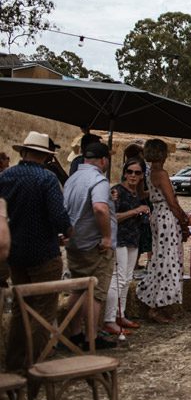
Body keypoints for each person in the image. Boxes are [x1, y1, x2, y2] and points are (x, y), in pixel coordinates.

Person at [0, 131, 72, 371]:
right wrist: (68, 230)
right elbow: (58, 215)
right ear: (46, 156)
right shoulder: (47, 179)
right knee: (43, 311)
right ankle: (34, 363)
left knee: (21, 310)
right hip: (43, 253)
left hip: (15, 253)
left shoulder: (6, 176)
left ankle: (15, 361)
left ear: (23, 152)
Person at [63, 141, 117, 349]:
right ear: (104, 160)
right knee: (96, 293)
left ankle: (74, 333)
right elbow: (100, 209)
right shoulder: (98, 180)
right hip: (95, 246)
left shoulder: (73, 178)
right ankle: (91, 338)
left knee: (77, 289)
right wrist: (106, 237)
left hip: (75, 242)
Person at [136, 139, 189, 324]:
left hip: (157, 216)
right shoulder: (161, 174)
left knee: (160, 258)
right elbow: (172, 201)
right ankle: (156, 307)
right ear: (163, 154)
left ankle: (158, 303)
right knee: (168, 259)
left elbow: (144, 194)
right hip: (166, 217)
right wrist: (183, 220)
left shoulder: (149, 173)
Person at [103, 158, 149, 335]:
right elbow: (113, 216)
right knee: (118, 278)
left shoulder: (136, 193)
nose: (133, 175)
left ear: (142, 175)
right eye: (130, 171)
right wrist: (135, 211)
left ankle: (120, 314)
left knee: (127, 278)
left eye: (137, 173)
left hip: (133, 239)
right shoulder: (117, 191)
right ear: (124, 172)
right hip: (119, 239)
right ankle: (109, 319)